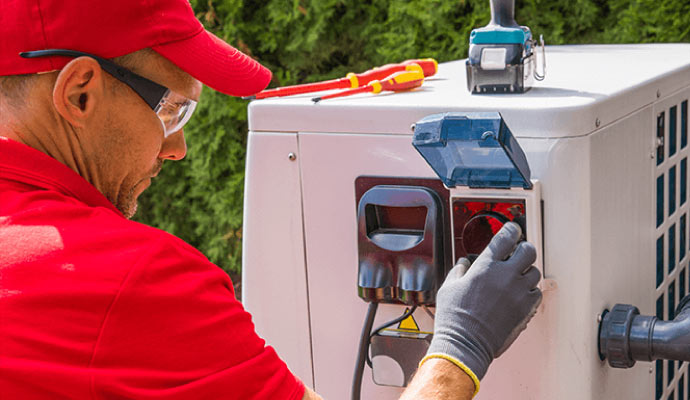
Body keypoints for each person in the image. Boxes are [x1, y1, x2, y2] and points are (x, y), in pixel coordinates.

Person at [0, 0, 542, 399]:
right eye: (170, 112)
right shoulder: (128, 279)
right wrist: (458, 348)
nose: (178, 148)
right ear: (79, 93)